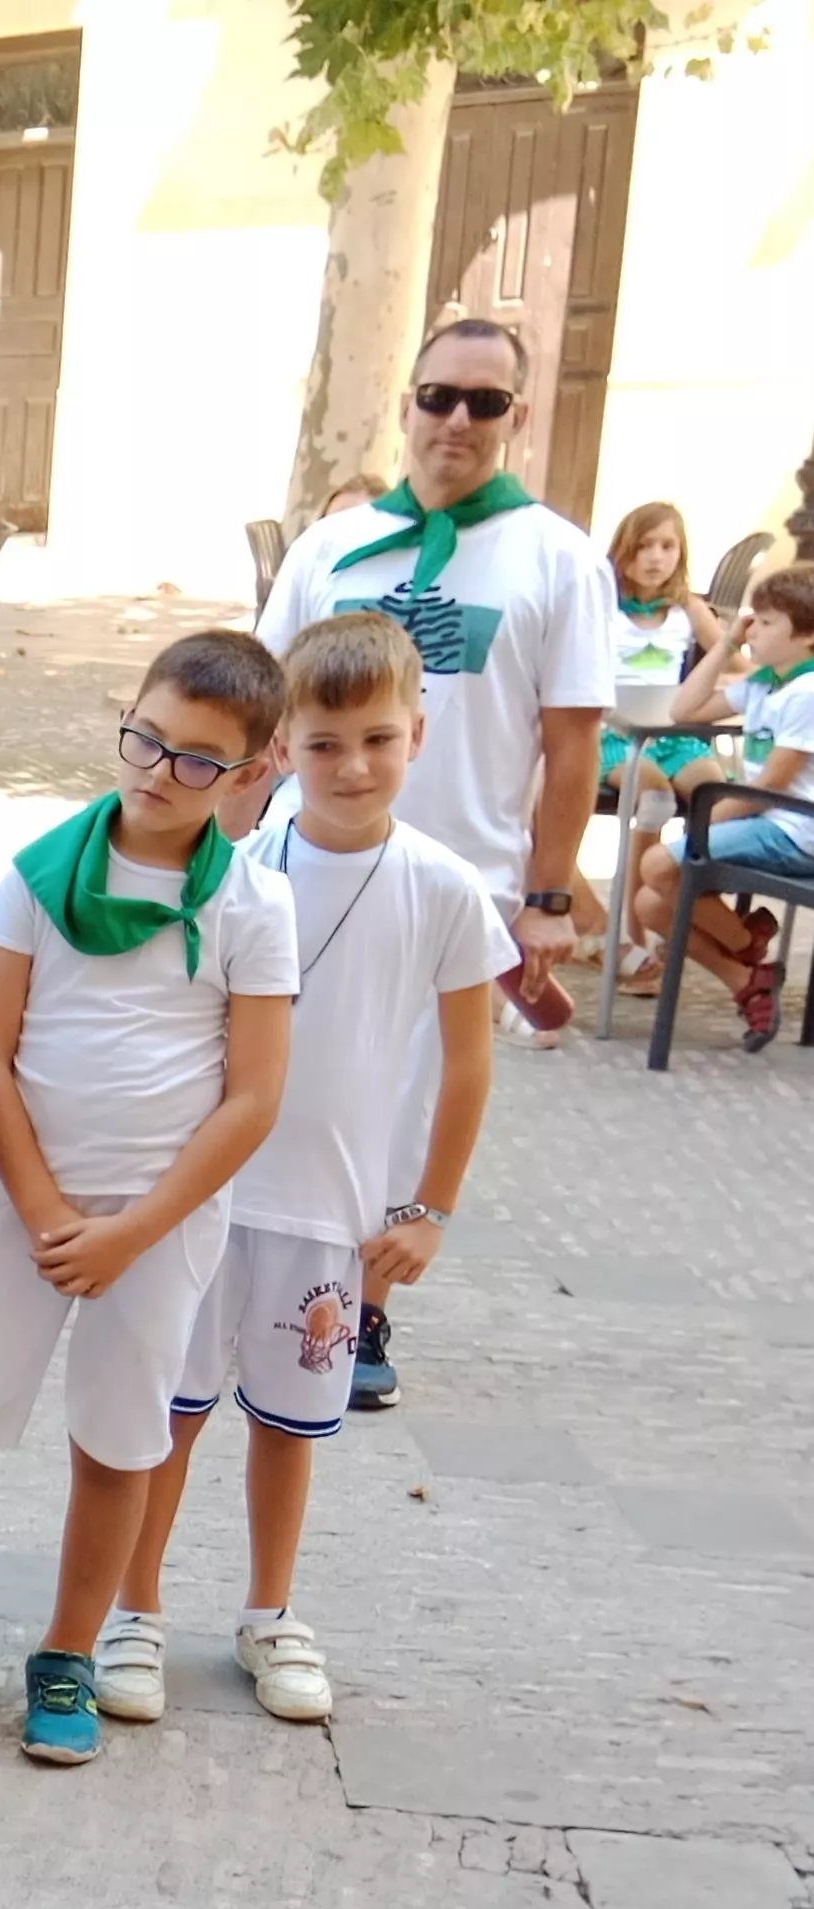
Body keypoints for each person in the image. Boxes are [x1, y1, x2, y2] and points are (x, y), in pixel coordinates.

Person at [0, 630, 298, 1769]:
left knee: (120, 1441)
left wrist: (133, 1228)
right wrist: (43, 1207)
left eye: (200, 760)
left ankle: (66, 1650)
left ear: (253, 773)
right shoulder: (35, 874)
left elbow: (251, 1097)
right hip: (25, 1206)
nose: (159, 772)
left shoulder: (253, 905)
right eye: (146, 739)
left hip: (157, 1225)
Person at [111, 612, 511, 1725]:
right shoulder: (239, 870)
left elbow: (467, 1066)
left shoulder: (441, 887)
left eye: (377, 739)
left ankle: (267, 1610)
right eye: (324, 742)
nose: (352, 765)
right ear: (282, 745)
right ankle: (130, 1609)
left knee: (288, 1428)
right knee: (169, 1415)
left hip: (329, 1212)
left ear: (416, 735)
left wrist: (426, 1209)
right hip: (206, 1193)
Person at [259, 317, 609, 1410]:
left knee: (403, 1098)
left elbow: (570, 741)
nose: (456, 420)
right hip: (305, 861)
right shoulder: (330, 548)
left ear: (514, 416)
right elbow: (259, 701)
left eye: (484, 402)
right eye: (437, 397)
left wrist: (548, 895)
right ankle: (261, 1271)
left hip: (460, 878)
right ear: (405, 405)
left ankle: (357, 1309)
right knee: (293, 1073)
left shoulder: (556, 555)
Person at [629, 563, 814, 1045]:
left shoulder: (807, 692)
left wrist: (703, 825)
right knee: (651, 904)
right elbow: (683, 710)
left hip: (796, 830)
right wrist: (728, 643)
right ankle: (746, 978)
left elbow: (772, 787)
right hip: (769, 818)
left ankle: (746, 946)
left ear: (808, 637)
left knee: (656, 866)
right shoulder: (766, 683)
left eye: (768, 622)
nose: (754, 628)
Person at [576, 500, 727, 983]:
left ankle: (690, 904)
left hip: (675, 733)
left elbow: (739, 667)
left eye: (667, 546)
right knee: (656, 798)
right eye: (643, 546)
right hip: (616, 734)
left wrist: (717, 689)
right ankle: (634, 932)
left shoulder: (689, 609)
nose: (655, 557)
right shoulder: (603, 607)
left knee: (716, 796)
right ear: (622, 552)